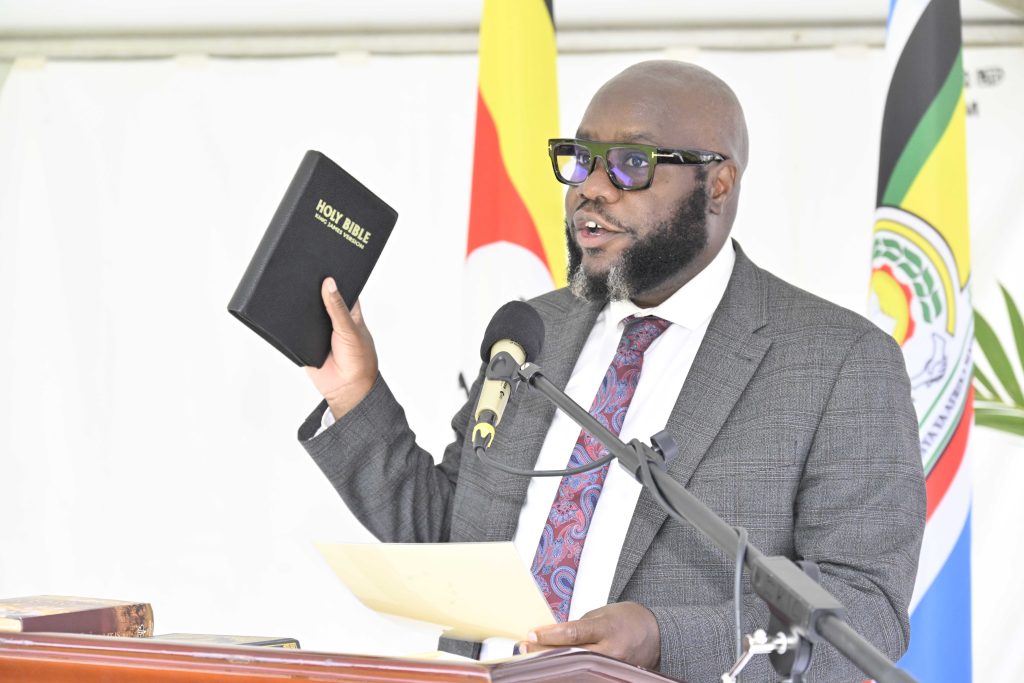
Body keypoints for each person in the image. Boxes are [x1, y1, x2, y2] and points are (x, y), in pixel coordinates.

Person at [297, 60, 925, 683]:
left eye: (631, 164)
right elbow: (454, 545)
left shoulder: (836, 361)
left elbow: (866, 612)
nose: (591, 189)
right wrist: (354, 393)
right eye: (580, 159)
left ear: (719, 184)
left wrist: (663, 638)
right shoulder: (531, 331)